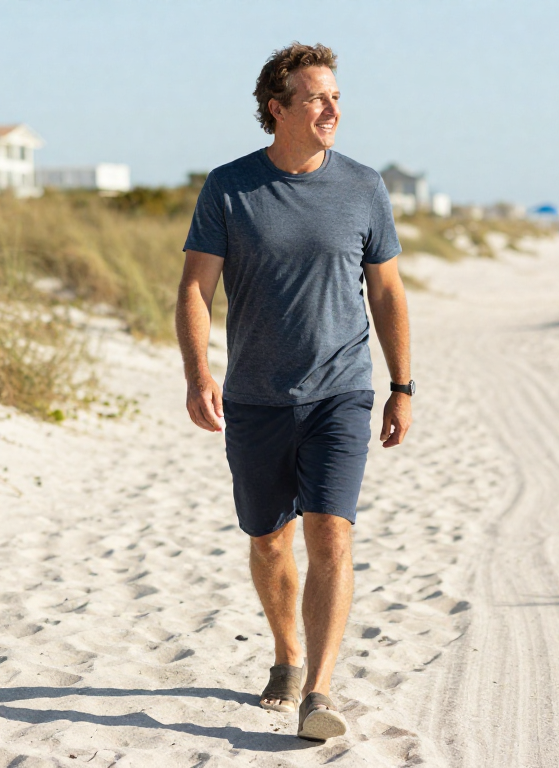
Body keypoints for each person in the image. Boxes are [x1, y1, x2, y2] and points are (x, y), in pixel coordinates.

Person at [176, 42, 413, 742]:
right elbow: (195, 286)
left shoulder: (365, 187)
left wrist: (402, 385)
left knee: (331, 533)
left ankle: (318, 690)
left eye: (336, 95)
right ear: (277, 109)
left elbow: (388, 289)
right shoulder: (229, 188)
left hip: (342, 390)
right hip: (256, 397)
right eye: (316, 97)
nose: (333, 107)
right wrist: (198, 372)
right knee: (268, 540)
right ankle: (285, 654)